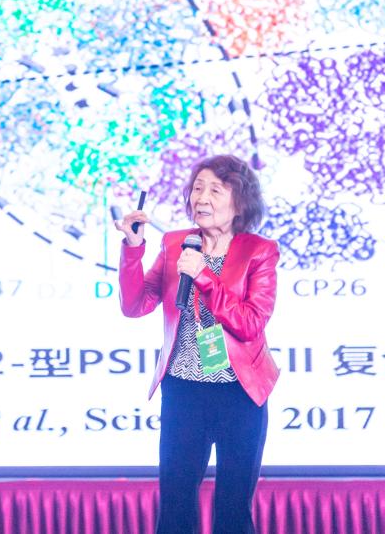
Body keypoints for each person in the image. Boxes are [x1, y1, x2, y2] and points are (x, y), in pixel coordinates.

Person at [115, 154, 280, 534]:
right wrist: (133, 249)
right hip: (183, 390)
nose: (201, 198)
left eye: (215, 190)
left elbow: (250, 323)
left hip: (239, 393)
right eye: (197, 188)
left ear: (240, 202)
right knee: (175, 506)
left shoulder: (259, 251)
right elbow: (135, 305)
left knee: (233, 510)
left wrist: (204, 276)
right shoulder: (176, 243)